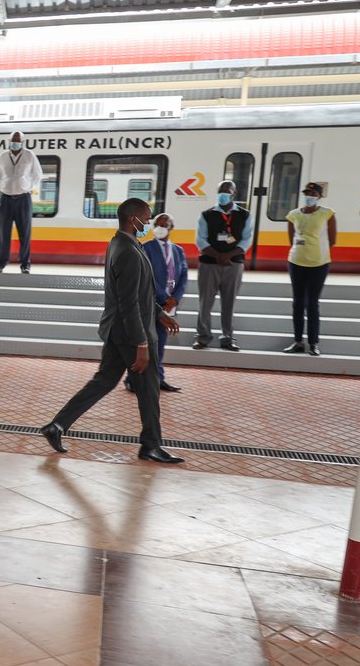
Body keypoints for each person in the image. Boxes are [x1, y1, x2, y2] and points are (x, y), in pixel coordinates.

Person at [39, 198, 183, 464]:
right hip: (132, 333)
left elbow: (138, 293)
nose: (149, 223)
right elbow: (128, 302)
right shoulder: (127, 251)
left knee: (104, 380)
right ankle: (151, 445)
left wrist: (160, 313)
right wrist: (141, 344)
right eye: (147, 217)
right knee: (149, 390)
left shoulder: (123, 243)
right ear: (133, 219)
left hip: (119, 330)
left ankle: (56, 426)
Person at [124, 213, 187, 394]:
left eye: (164, 225)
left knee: (160, 344)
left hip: (170, 305)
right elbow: (147, 277)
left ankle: (158, 378)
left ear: (171, 228)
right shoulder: (145, 248)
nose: (159, 228)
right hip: (152, 304)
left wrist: (175, 298)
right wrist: (164, 298)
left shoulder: (178, 250)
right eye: (157, 224)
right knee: (144, 344)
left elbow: (183, 277)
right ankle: (132, 380)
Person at [193, 179, 251, 351]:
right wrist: (219, 256)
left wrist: (229, 256)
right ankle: (203, 337)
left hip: (234, 265)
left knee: (229, 303)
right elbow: (200, 240)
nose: (223, 195)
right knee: (205, 303)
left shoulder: (245, 215)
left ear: (234, 194)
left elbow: (247, 240)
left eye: (227, 191)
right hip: (209, 264)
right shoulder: (206, 215)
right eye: (220, 192)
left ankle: (227, 337)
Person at [284, 181, 336, 357]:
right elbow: (291, 238)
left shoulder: (327, 214)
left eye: (314, 194)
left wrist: (316, 250)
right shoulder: (293, 215)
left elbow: (332, 239)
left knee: (312, 304)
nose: (310, 197)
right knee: (297, 303)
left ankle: (314, 343)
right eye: (307, 193)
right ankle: (298, 341)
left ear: (319, 197)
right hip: (296, 262)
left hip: (318, 264)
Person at [0, 131, 43, 274]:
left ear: (22, 141)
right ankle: (0, 262)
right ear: (9, 141)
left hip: (23, 199)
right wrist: (7, 185)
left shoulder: (29, 156)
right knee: (3, 233)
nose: (15, 142)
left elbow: (37, 175)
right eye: (13, 140)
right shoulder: (2, 157)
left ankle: (25, 263)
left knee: (25, 233)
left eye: (18, 140)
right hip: (5, 199)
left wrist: (25, 186)